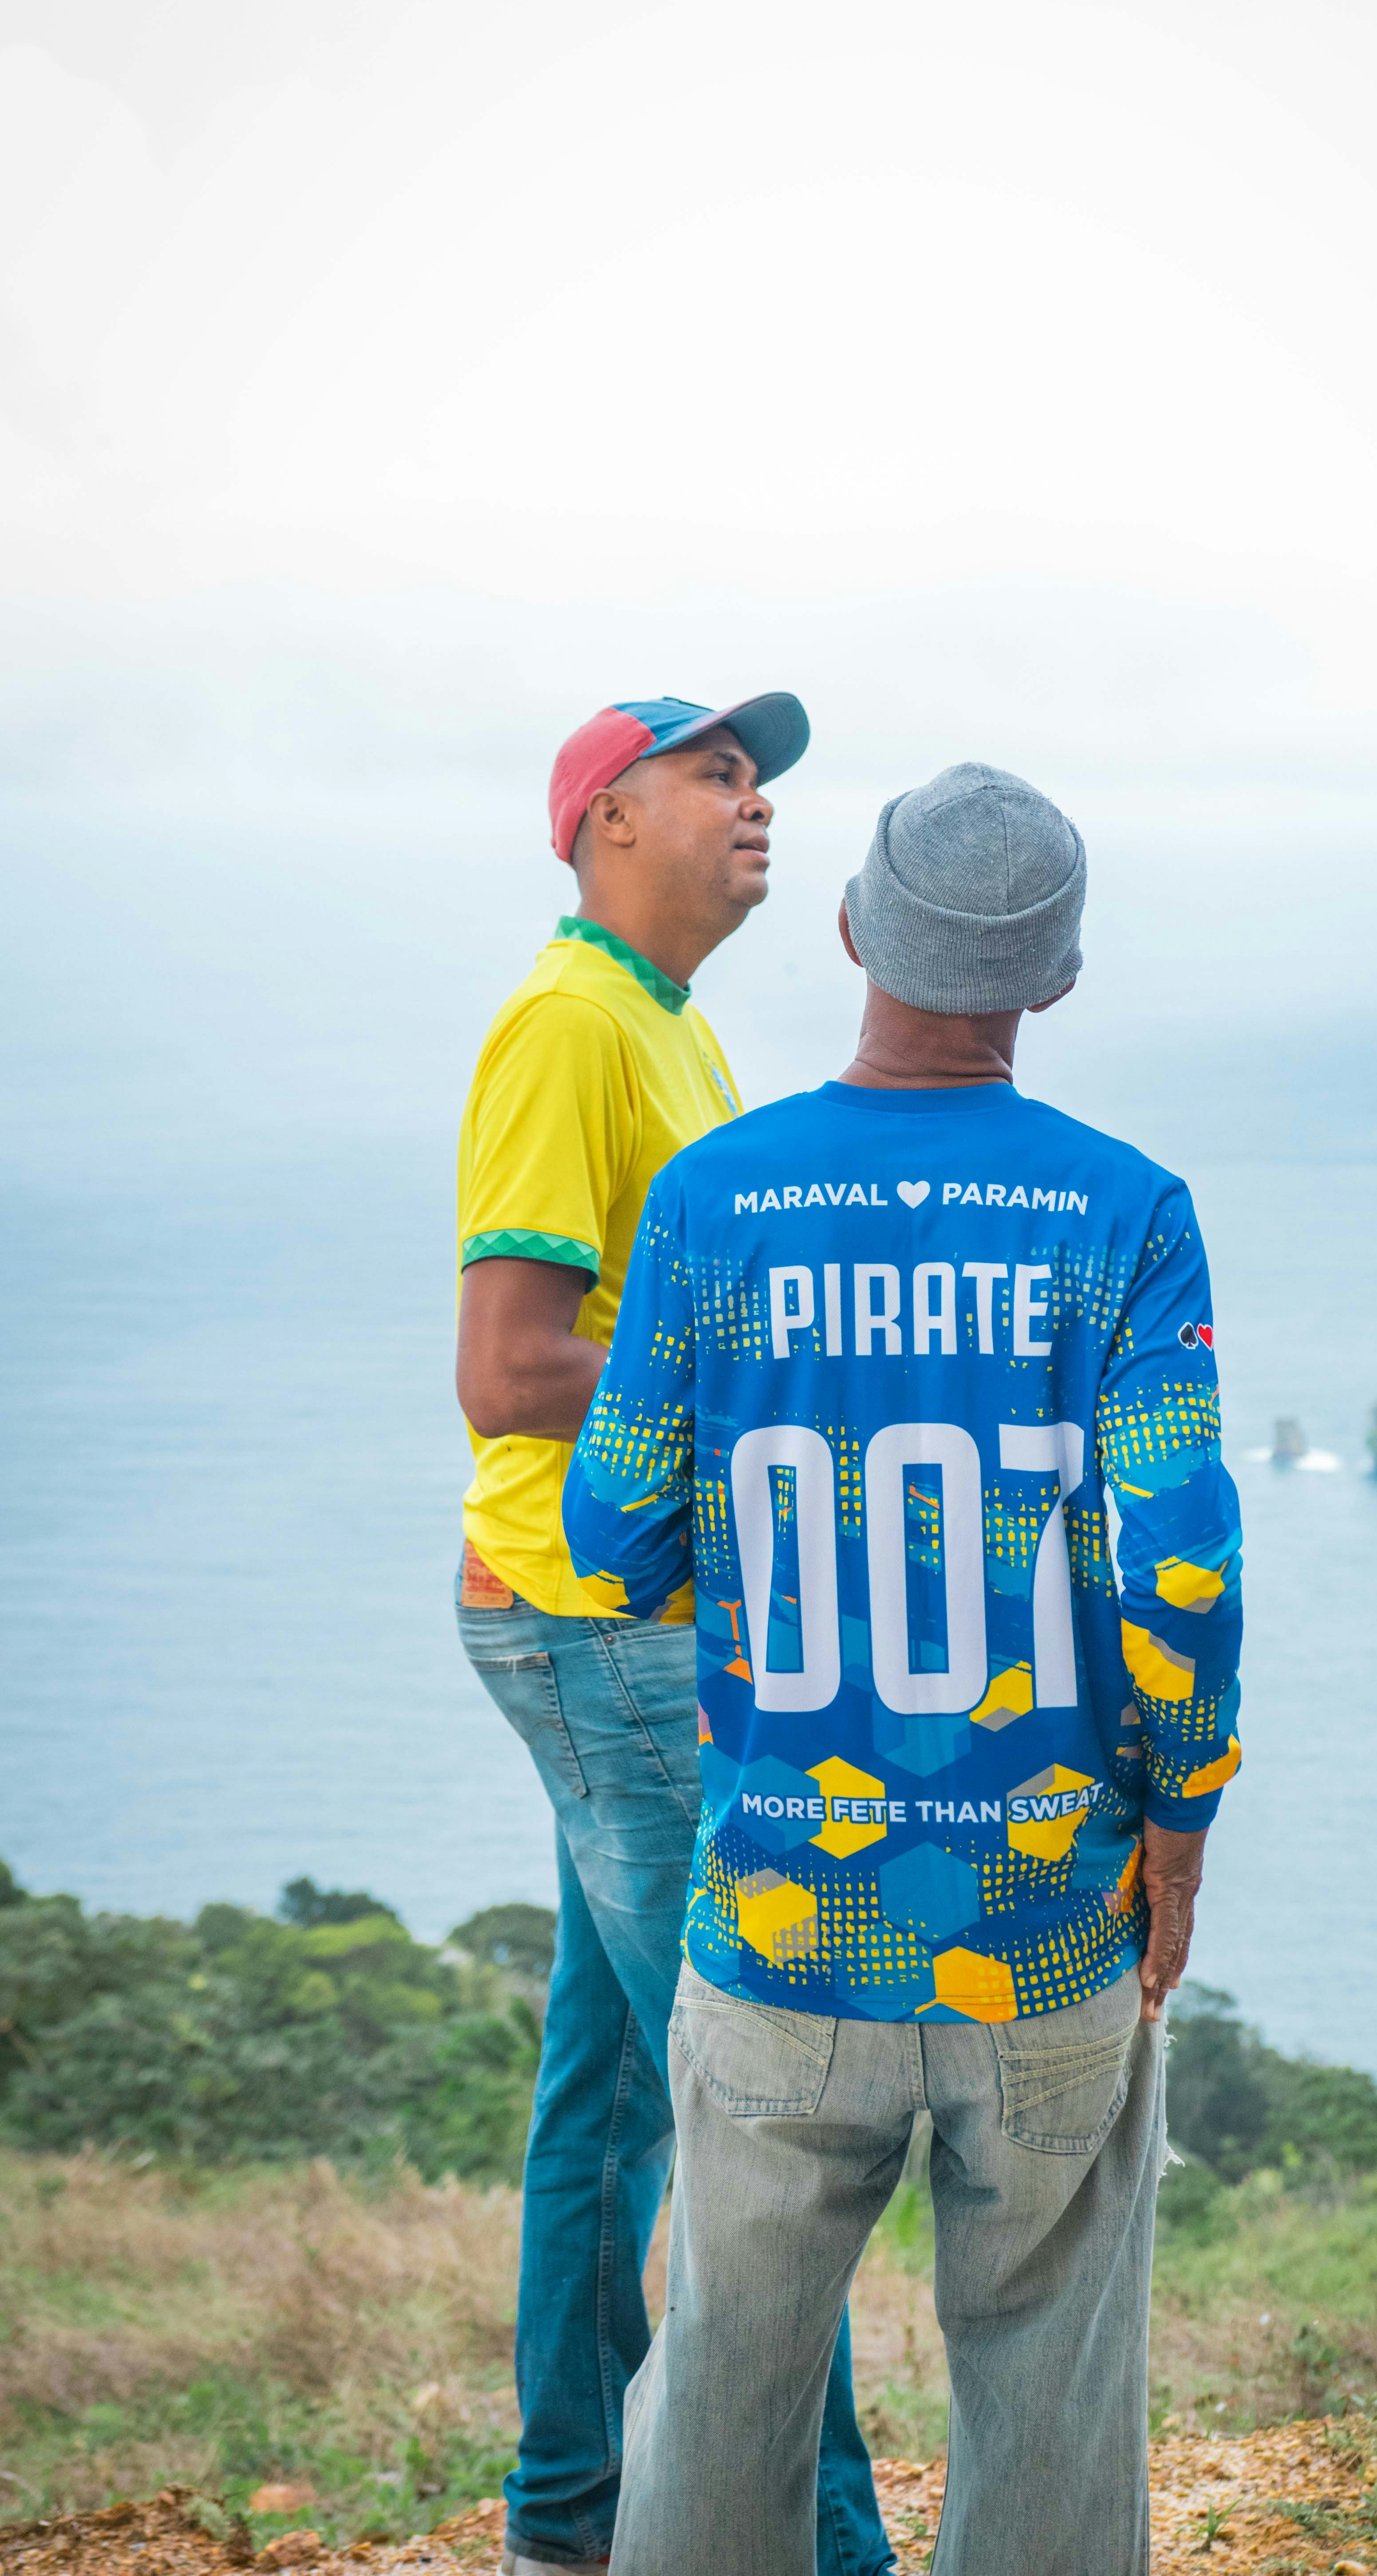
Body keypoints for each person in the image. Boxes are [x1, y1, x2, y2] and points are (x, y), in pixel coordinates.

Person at [561, 761, 1246, 2576]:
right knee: (1047, 2377)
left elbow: (612, 1534)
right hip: (1044, 1924)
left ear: (856, 929)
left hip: (786, 1913)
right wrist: (1176, 1827)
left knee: (720, 2376)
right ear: (1058, 978)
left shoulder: (716, 1201)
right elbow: (1175, 1560)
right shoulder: (1126, 1211)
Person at [452, 694, 890, 2576]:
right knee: (758, 2105)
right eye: (714, 772)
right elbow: (510, 1365)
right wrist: (776, 1407)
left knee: (619, 2099)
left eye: (758, 772)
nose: (757, 800)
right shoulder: (569, 1025)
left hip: (605, 1625)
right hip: (599, 1623)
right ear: (605, 819)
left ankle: (568, 2518)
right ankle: (835, 2547)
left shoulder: (667, 1024)